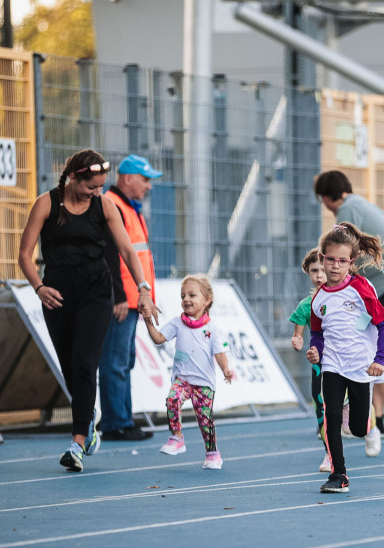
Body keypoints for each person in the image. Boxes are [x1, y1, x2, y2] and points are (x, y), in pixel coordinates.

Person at [18, 149, 159, 472]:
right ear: (72, 178)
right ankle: (88, 419)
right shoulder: (46, 204)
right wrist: (39, 286)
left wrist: (143, 290)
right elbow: (25, 254)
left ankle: (77, 442)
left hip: (96, 294)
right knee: (70, 370)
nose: (97, 192)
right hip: (57, 295)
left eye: (100, 186)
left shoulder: (105, 206)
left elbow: (126, 250)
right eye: (91, 187)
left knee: (85, 363)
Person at [313, 170, 384, 439]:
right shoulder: (362, 203)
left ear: (326, 197)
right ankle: (378, 419)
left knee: (379, 346)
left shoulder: (347, 211)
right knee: (371, 341)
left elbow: (345, 253)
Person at [306, 222, 384, 493]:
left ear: (351, 262)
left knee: (357, 429)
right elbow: (317, 333)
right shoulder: (318, 298)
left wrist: (380, 359)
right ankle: (338, 474)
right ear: (321, 259)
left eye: (342, 261)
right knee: (330, 416)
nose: (334, 266)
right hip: (332, 365)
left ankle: (366, 422)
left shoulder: (360, 288)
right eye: (330, 259)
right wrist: (315, 350)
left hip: (361, 366)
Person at [99, 154, 164, 442]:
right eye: (145, 179)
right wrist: (120, 296)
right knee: (115, 361)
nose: (149, 186)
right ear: (127, 178)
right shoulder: (113, 205)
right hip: (123, 301)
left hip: (131, 299)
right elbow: (110, 256)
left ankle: (122, 419)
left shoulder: (128, 207)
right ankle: (116, 423)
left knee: (124, 360)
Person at [150, 275, 235, 469]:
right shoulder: (177, 323)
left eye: (192, 295)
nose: (186, 299)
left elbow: (220, 353)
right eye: (183, 296)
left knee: (205, 420)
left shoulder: (212, 328)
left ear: (206, 300)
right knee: (172, 399)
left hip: (203, 383)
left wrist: (226, 369)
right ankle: (176, 437)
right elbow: (159, 338)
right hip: (183, 379)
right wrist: (148, 321)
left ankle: (212, 453)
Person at [289, 248, 334, 472]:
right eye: (314, 270)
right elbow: (298, 335)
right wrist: (297, 341)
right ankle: (329, 455)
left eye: (322, 270)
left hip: (345, 363)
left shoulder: (344, 298)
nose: (319, 275)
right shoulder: (305, 306)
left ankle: (362, 414)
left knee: (348, 411)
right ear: (308, 272)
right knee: (321, 406)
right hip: (320, 365)